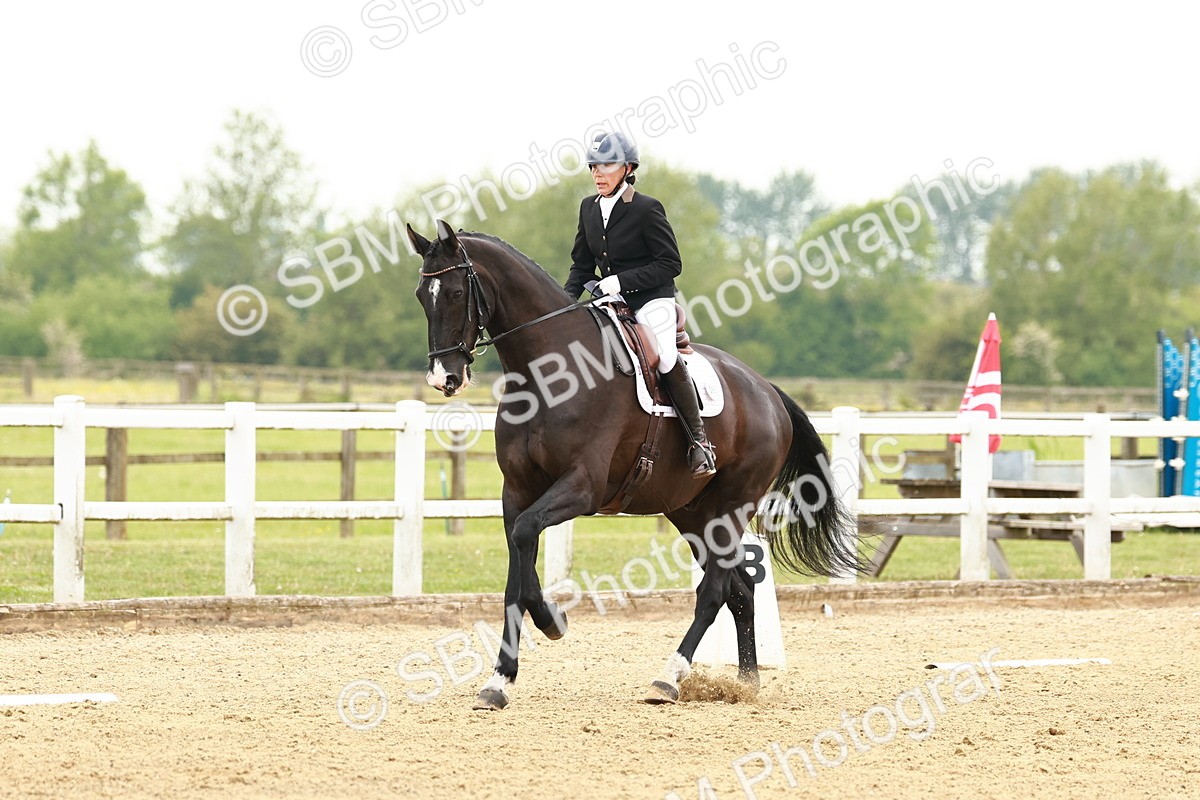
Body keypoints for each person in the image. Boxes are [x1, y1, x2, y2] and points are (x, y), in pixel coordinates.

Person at [564, 131, 716, 478]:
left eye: (607, 165)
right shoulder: (588, 207)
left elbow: (670, 264)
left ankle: (699, 444)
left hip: (652, 299)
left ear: (628, 168)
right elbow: (581, 267)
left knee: (663, 356)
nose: (598, 173)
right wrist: (565, 302)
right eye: (593, 167)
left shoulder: (647, 208)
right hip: (611, 301)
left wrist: (622, 281)